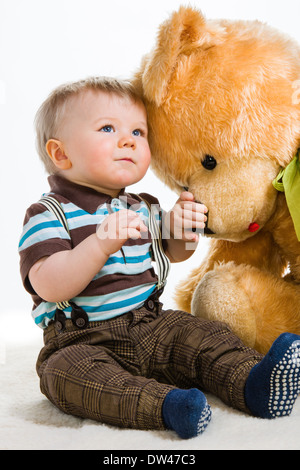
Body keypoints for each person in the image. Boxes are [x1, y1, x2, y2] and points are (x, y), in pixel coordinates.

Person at [19, 76, 300, 439]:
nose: (129, 140)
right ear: (61, 153)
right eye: (108, 128)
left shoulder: (143, 206)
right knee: (69, 377)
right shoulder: (47, 213)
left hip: (151, 323)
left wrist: (183, 228)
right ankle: (168, 406)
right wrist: (98, 245)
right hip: (81, 341)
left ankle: (252, 382)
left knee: (200, 334)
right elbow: (49, 284)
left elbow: (174, 253)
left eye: (139, 132)